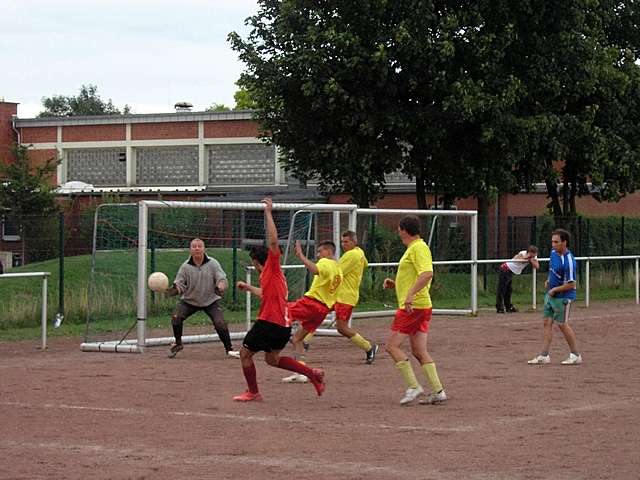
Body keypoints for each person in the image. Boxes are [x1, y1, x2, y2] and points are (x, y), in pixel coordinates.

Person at [232, 198, 325, 401]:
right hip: (283, 325)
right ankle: (312, 373)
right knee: (272, 359)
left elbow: (273, 241)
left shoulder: (272, 267)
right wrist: (248, 287)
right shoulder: (271, 278)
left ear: (257, 261)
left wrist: (268, 212)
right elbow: (266, 295)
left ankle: (253, 392)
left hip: (269, 323)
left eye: (253, 262)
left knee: (245, 354)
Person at [382, 215, 446, 406]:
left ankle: (414, 386)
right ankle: (438, 391)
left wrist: (409, 296)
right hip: (419, 305)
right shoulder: (415, 248)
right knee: (419, 350)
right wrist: (397, 286)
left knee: (392, 346)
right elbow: (416, 277)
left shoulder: (418, 248)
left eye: (399, 228)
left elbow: (427, 274)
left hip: (414, 307)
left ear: (403, 229)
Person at [302, 231, 378, 364]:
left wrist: (322, 268)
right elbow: (365, 264)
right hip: (339, 295)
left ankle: (369, 347)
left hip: (345, 297)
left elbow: (336, 271)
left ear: (354, 242)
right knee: (318, 311)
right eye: (342, 242)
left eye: (346, 242)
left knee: (341, 328)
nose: (343, 245)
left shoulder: (352, 254)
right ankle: (305, 341)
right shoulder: (359, 252)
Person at [165, 238, 240, 359]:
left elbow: (222, 279)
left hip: (210, 300)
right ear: (190, 250)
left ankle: (229, 349)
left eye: (199, 246)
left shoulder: (213, 263)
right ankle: (178, 344)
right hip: (189, 301)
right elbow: (180, 284)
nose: (197, 248)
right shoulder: (185, 267)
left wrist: (220, 286)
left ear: (204, 249)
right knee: (176, 317)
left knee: (220, 323)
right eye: (194, 246)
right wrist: (173, 290)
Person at [281, 239, 342, 383]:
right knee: (297, 338)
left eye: (320, 251)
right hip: (322, 310)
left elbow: (315, 270)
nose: (318, 254)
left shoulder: (326, 263)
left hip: (312, 303)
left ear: (328, 251)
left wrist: (301, 256)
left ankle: (259, 342)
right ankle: (301, 372)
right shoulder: (338, 270)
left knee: (280, 311)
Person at [528, 229, 582, 365]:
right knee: (547, 322)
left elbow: (571, 284)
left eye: (556, 242)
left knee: (562, 324)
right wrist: (548, 280)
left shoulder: (569, 261)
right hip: (551, 295)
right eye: (552, 241)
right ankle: (544, 355)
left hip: (563, 296)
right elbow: (553, 270)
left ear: (564, 243)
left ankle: (575, 355)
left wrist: (555, 290)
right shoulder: (553, 253)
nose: (553, 244)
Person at [496, 245, 539, 313]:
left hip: (510, 272)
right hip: (505, 269)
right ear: (529, 252)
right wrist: (527, 258)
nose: (535, 255)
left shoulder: (534, 257)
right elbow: (517, 259)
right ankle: (499, 307)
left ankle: (508, 306)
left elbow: (537, 266)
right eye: (533, 253)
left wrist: (531, 259)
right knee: (502, 289)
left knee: (509, 290)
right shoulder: (522, 253)